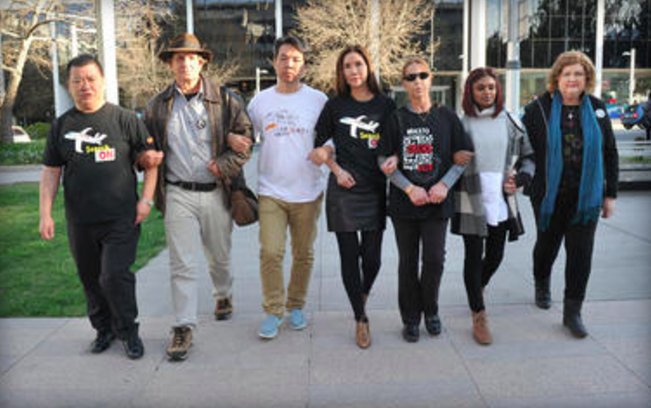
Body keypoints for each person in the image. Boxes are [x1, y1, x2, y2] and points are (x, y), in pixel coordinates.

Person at [39, 54, 158, 359]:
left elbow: (151, 162)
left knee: (114, 275)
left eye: (91, 79)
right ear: (69, 86)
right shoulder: (61, 126)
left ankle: (128, 332)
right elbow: (51, 172)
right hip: (80, 220)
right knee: (91, 279)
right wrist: (45, 214)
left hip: (121, 218)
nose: (85, 86)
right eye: (77, 81)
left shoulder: (125, 119)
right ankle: (103, 330)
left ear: (102, 81)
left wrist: (146, 200)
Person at [143, 33, 253, 361]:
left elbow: (246, 141)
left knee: (219, 257)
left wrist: (223, 164)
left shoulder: (226, 99)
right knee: (182, 264)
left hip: (216, 191)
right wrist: (144, 157)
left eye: (191, 58)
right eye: (178, 58)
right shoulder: (156, 106)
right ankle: (183, 326)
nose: (185, 64)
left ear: (202, 62)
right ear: (170, 64)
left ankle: (223, 293)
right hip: (177, 192)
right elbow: (144, 147)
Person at [522, 50, 618, 338]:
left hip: (585, 197)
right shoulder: (538, 109)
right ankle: (541, 281)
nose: (573, 79)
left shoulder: (597, 109)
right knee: (547, 246)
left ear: (587, 78)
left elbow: (610, 152)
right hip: (549, 196)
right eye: (567, 74)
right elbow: (523, 149)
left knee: (580, 254)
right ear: (557, 77)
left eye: (579, 74)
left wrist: (610, 195)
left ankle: (572, 312)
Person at [377, 56, 473, 343]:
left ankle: (430, 310)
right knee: (407, 263)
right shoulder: (396, 119)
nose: (417, 81)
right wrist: (409, 188)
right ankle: (410, 318)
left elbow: (463, 157)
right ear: (404, 84)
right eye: (410, 77)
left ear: (431, 79)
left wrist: (444, 184)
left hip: (437, 203)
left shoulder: (447, 117)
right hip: (404, 204)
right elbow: (383, 159)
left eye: (422, 75)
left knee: (434, 260)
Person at [308, 45, 396, 349]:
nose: (353, 70)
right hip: (343, 190)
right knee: (349, 257)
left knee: (372, 259)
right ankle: (361, 318)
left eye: (358, 64)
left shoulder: (386, 105)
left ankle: (361, 295)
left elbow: (395, 142)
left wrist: (394, 160)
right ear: (341, 72)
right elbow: (320, 145)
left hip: (374, 189)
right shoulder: (335, 106)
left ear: (368, 67)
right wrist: (336, 170)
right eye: (347, 66)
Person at [247, 35, 328, 340]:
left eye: (296, 59)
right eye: (283, 58)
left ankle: (295, 305)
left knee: (303, 253)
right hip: (271, 191)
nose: (289, 64)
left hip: (308, 191)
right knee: (271, 252)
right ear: (274, 62)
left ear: (304, 65)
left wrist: (326, 150)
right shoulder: (259, 102)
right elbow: (246, 136)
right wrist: (236, 141)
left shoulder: (318, 100)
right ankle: (273, 309)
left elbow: (332, 137)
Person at [451, 67, 535, 345]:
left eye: (491, 87)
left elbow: (529, 157)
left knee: (496, 254)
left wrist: (520, 179)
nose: (487, 92)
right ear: (470, 92)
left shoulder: (510, 121)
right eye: (480, 88)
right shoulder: (461, 123)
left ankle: (478, 286)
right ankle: (479, 314)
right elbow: (450, 159)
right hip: (471, 195)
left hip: (501, 197)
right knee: (473, 255)